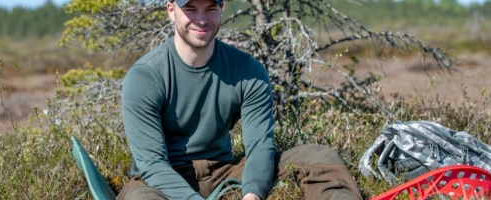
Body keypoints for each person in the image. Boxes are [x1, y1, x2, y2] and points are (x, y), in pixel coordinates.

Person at [117, 0, 364, 199]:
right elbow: (152, 165)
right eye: (190, 9)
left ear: (222, 9)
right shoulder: (146, 76)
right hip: (163, 179)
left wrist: (252, 193)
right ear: (171, 11)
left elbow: (259, 147)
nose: (201, 19)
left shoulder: (248, 70)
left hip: (224, 170)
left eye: (210, 8)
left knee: (318, 157)